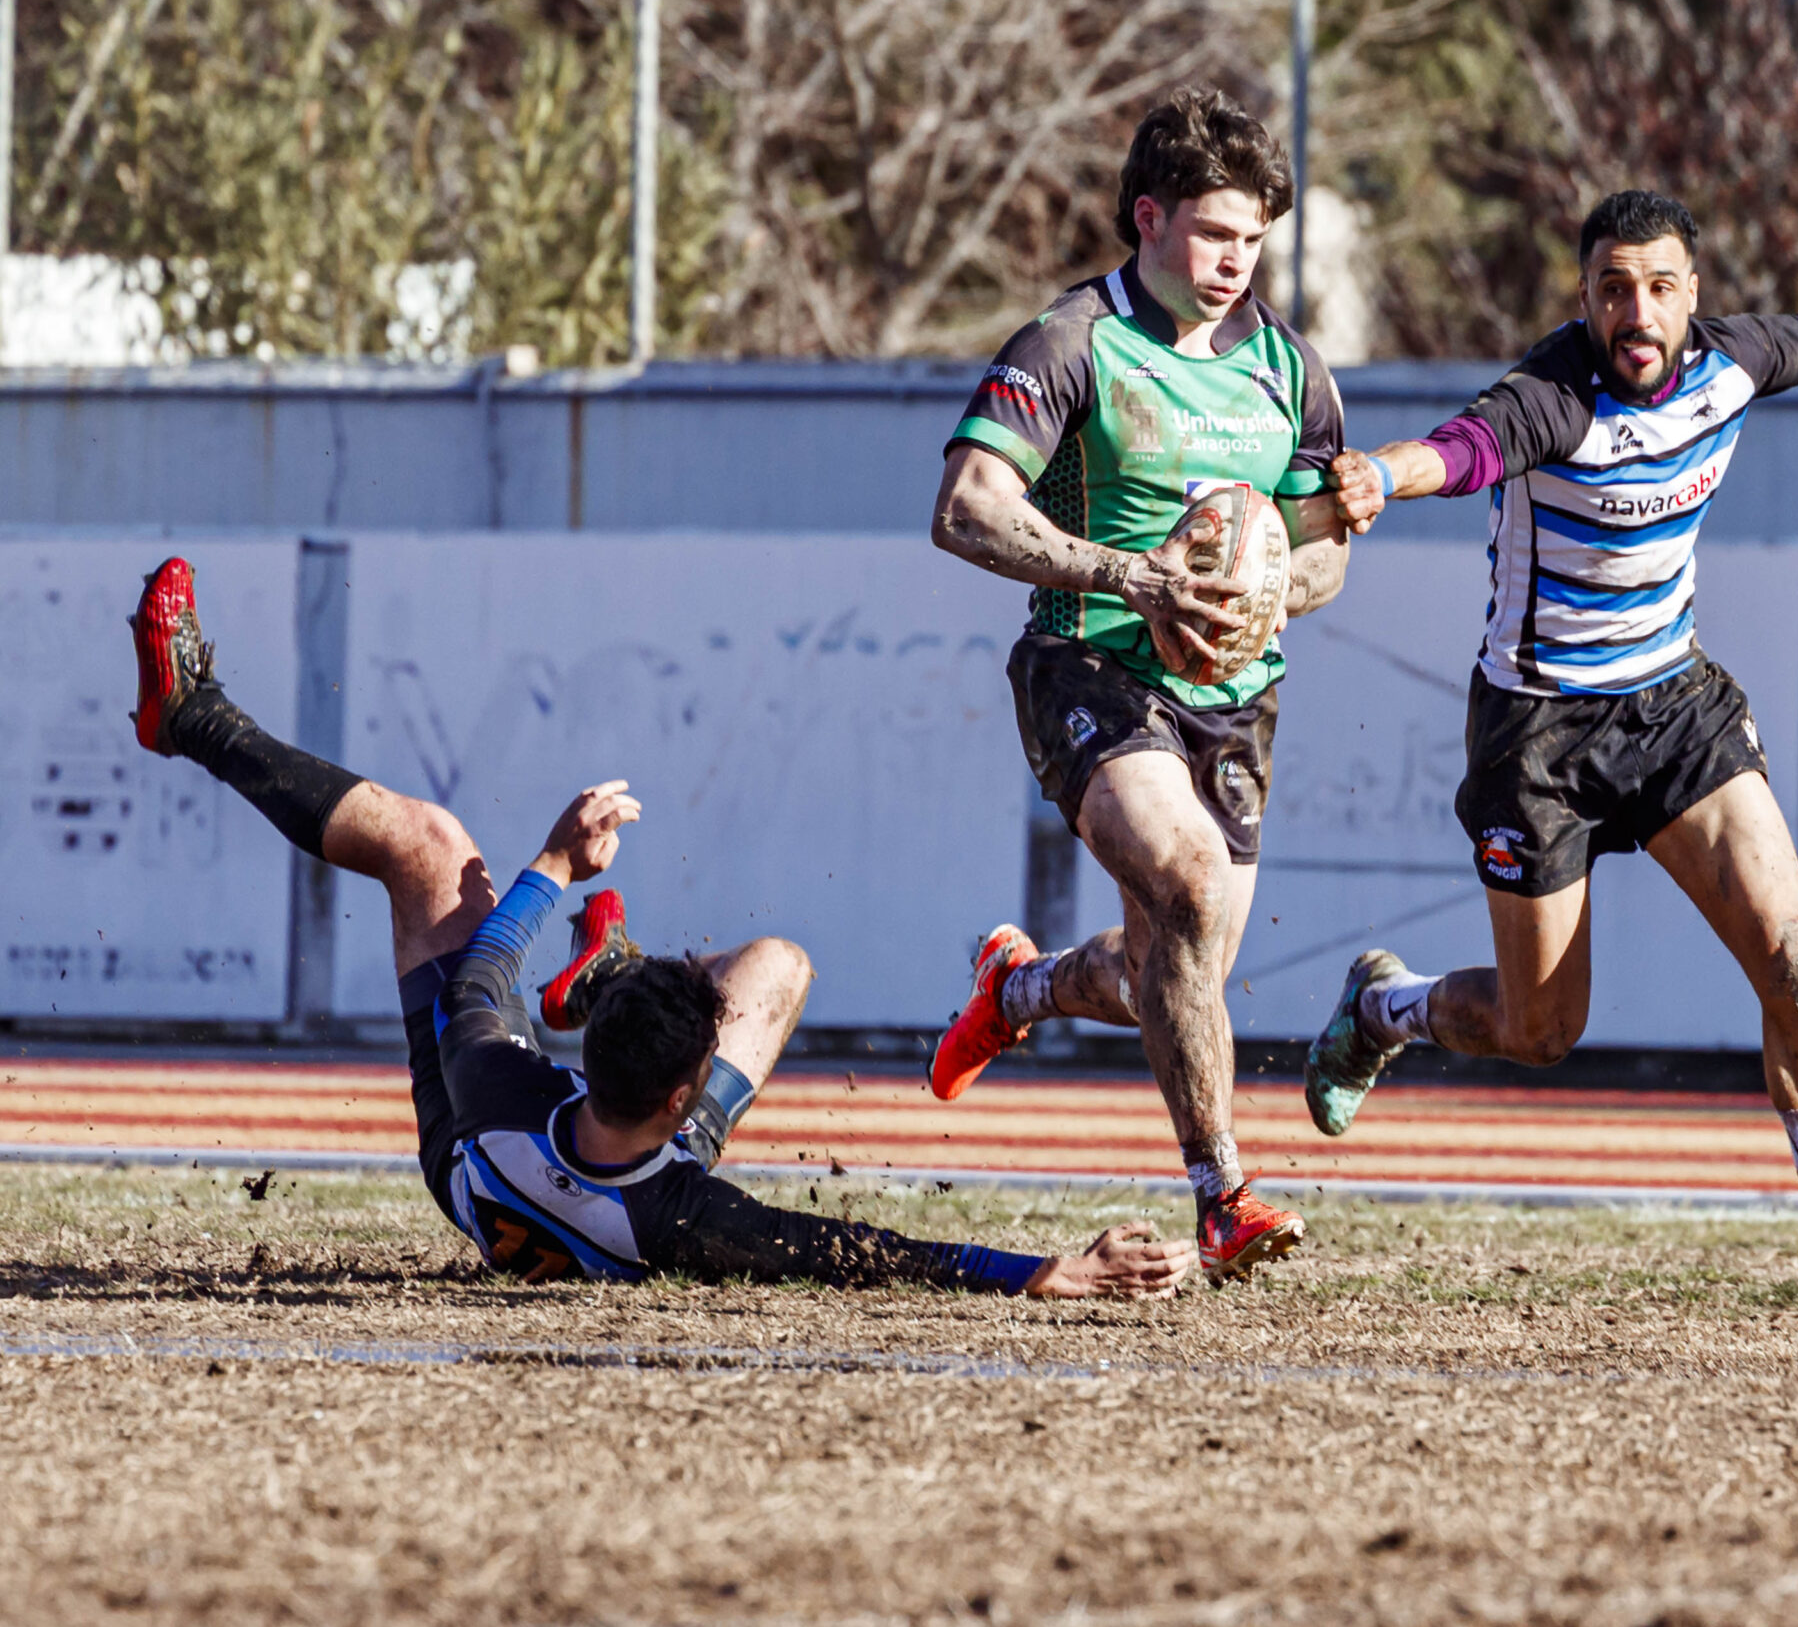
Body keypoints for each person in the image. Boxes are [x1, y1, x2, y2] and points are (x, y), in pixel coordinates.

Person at [1301, 189, 1798, 1323]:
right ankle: (1385, 1010)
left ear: (1692, 294)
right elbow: (1461, 449)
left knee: (1792, 959)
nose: (1638, 312)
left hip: (1675, 707)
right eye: (1614, 289)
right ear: (1582, 297)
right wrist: (1382, 478)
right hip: (1538, 734)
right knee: (1541, 1033)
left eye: (1661, 287)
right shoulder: (1549, 396)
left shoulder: (1734, 360)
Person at [128, 556, 1188, 1297]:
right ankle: (613, 968)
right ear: (685, 1098)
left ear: (581, 1064)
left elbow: (486, 967)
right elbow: (857, 1249)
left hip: (472, 1160)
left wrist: (553, 862)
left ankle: (198, 720)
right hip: (609, 1191)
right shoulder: (683, 1213)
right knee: (780, 964)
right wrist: (1053, 1274)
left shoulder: (498, 1087)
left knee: (427, 844)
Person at [925, 86, 1356, 1282]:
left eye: (1256, 238)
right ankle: (1223, 1194)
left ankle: (1020, 987)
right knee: (1186, 883)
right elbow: (964, 507)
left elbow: (1324, 551)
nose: (1237, 260)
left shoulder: (1288, 369)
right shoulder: (1072, 342)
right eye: (1216, 234)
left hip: (1234, 694)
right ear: (1148, 216)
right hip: (1089, 661)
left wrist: (1276, 586)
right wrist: (1137, 576)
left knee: (1183, 963)